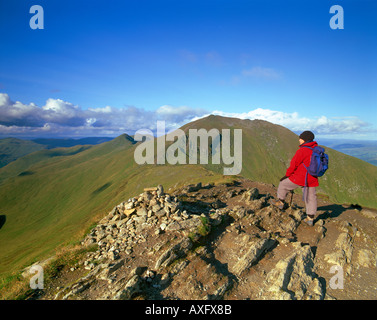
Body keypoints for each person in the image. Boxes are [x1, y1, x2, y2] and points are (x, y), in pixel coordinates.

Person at [271, 131, 318, 226]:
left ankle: (280, 202)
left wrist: (287, 175)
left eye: (300, 138)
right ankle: (310, 219)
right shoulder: (316, 149)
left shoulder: (302, 150)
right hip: (312, 178)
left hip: (300, 177)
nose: (299, 140)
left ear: (304, 139)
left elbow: (294, 165)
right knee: (311, 198)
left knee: (283, 184)